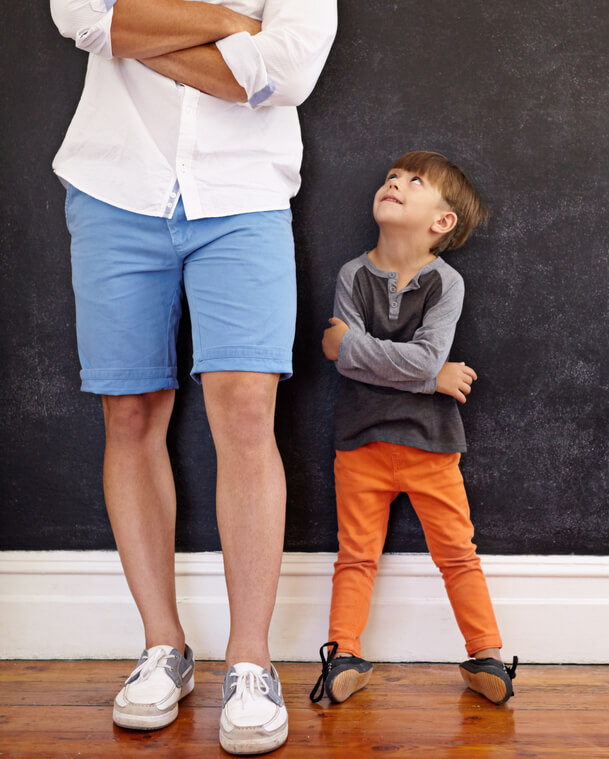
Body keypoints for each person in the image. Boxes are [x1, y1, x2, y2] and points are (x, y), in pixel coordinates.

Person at [49, 0, 336, 754]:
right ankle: (162, 648)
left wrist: (135, 27)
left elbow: (288, 71)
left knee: (246, 412)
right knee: (130, 412)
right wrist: (234, 28)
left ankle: (251, 661)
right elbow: (80, 14)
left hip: (243, 198)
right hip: (114, 189)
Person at [311, 150, 518, 708]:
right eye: (391, 178)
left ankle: (487, 654)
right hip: (360, 444)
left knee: (457, 553)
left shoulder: (445, 283)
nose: (395, 183)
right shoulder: (352, 275)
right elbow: (382, 361)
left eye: (413, 182)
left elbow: (358, 351)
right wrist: (431, 377)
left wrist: (354, 347)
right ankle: (343, 652)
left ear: (442, 221)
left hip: (432, 448)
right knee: (356, 555)